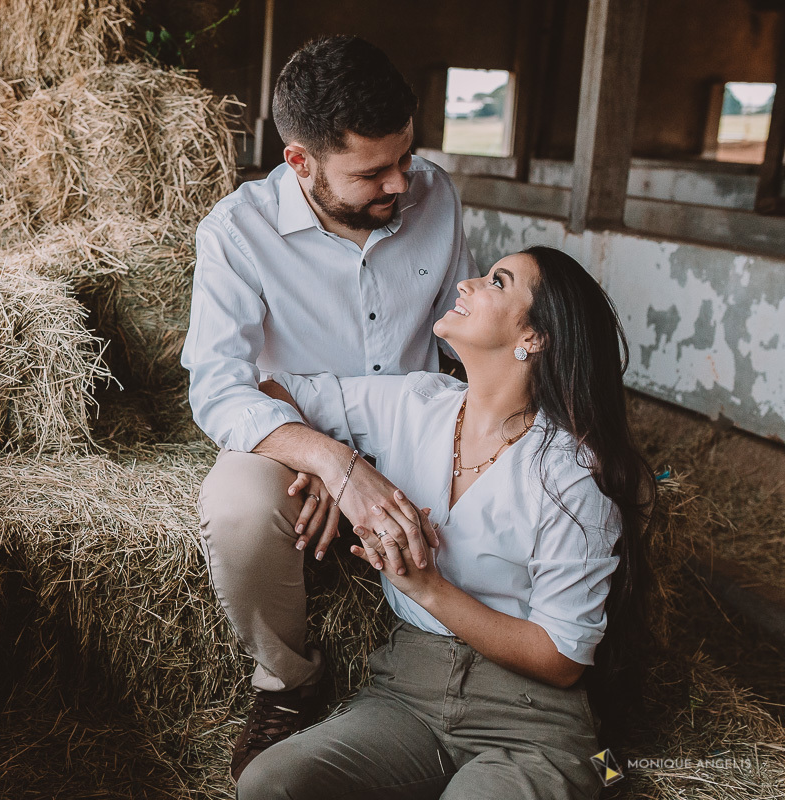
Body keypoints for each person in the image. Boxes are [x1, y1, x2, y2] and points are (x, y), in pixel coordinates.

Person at [236, 246, 653, 800]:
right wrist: (326, 462)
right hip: (406, 695)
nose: (467, 284)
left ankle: (591, 770)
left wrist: (428, 588)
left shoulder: (571, 474)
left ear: (534, 338)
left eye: (497, 282)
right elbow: (270, 390)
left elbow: (562, 658)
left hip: (528, 722)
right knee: (270, 784)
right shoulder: (414, 402)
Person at [181, 35, 477, 779]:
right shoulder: (234, 233)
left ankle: (473, 673)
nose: (401, 184)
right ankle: (288, 682)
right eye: (372, 172)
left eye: (406, 158)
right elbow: (219, 388)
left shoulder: (437, 196)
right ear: (300, 163)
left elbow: (467, 346)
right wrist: (326, 457)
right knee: (239, 507)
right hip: (295, 434)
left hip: (421, 424)